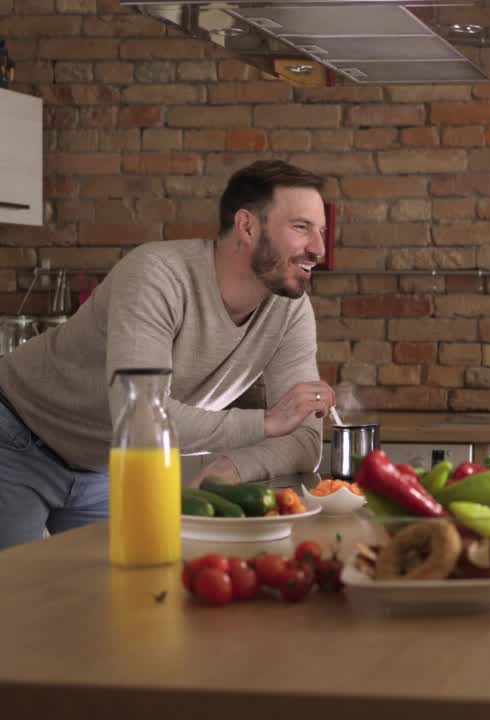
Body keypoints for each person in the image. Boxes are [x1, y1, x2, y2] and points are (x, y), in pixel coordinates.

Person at [0, 160, 336, 549]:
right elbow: (140, 416)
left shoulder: (290, 309)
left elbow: (305, 437)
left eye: (321, 231)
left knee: (130, 596)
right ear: (247, 227)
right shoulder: (156, 274)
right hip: (17, 437)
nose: (318, 248)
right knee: (13, 600)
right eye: (301, 227)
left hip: (110, 465)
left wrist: (231, 467)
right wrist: (265, 423)